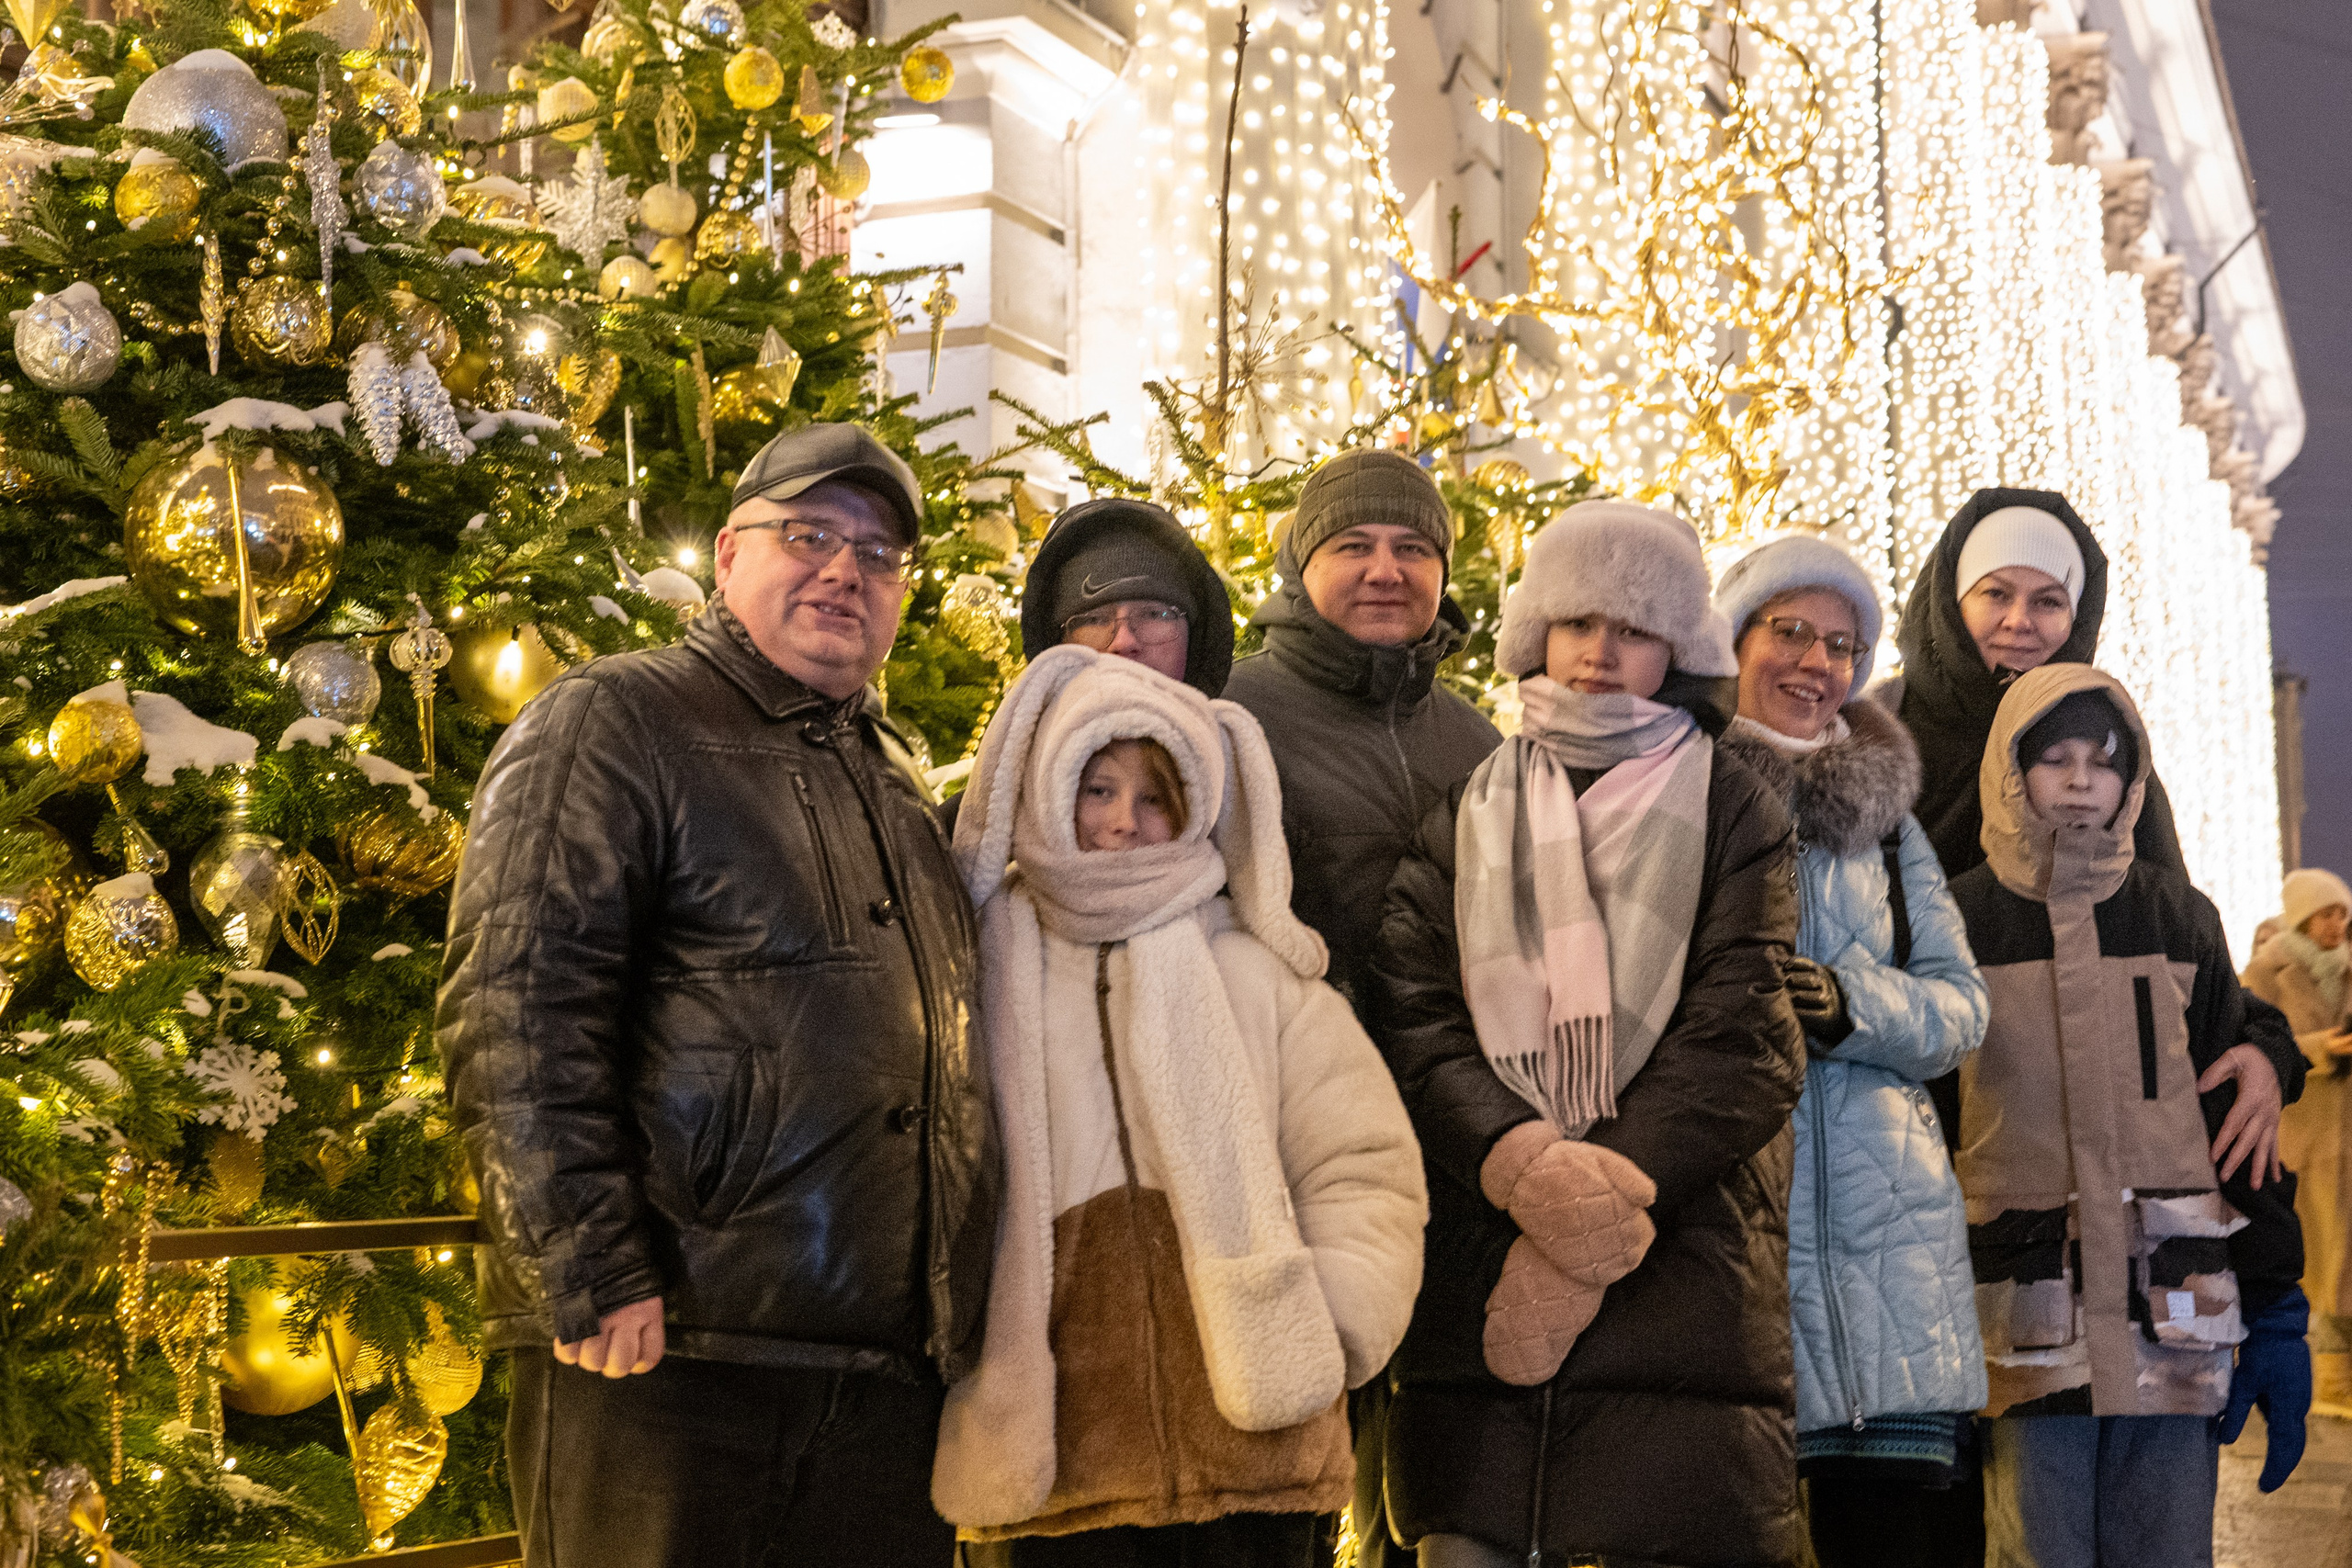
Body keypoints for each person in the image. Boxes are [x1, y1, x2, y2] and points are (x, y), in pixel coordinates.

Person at [437, 423, 998, 1568]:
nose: (846, 570)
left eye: (879, 553)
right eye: (811, 534)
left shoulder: (895, 775)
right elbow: (516, 1004)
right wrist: (587, 1269)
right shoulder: (617, 720)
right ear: (729, 555)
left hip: (880, 1375)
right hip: (669, 1354)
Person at [1373, 500, 1808, 1567]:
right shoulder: (1467, 803)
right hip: (1484, 1252)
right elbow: (1414, 1011)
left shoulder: (1738, 805)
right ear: (1539, 637)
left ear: (1676, 651)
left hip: (1680, 1270)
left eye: (1633, 628)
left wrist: (1594, 1202)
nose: (1601, 651)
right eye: (1578, 623)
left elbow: (1742, 1034)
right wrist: (1522, 1166)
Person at [933, 645, 1427, 1566]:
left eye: (1153, 795)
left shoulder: (1254, 971)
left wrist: (1334, 1321)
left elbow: (1364, 1166)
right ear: (1047, 788)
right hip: (1056, 1474)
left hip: (1260, 1457)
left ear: (1196, 807)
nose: (1123, 821)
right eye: (1097, 788)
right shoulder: (979, 967)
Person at [1949, 667, 2309, 1566]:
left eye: (2101, 763)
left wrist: (2274, 1304)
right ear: (2010, 770)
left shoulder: (2178, 918)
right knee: (2039, 1547)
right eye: (2054, 759)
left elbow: (2237, 1126)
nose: (2078, 781)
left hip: (2175, 1309)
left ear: (2132, 779)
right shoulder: (1956, 923)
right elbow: (1917, 1131)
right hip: (2021, 1321)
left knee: (2167, 1548)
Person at [1222, 448, 1500, 1562]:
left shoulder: (1478, 742)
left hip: (1450, 1145)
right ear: (1300, 567)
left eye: (1412, 549)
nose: (1385, 570)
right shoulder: (1235, 713)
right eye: (1353, 546)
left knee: (1429, 1480)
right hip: (1291, 1146)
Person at [1714, 536, 1992, 1567]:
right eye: (1789, 631)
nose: (1815, 661)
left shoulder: (1884, 824)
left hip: (1891, 1259)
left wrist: (1848, 1004)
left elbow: (1960, 1009)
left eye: (1842, 644)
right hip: (1738, 1238)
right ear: (1733, 637)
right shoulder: (1676, 789)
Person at [939, 497, 1232, 835]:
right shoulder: (971, 831)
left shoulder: (1242, 814)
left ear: (1193, 639)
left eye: (1155, 614)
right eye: (1093, 618)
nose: (1123, 641)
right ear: (1058, 646)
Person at [2244, 868, 2352, 1415]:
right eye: (2328, 912)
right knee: (2311, 1255)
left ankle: (2336, 1379)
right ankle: (2321, 1381)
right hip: (2298, 1131)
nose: (2338, 923)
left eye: (2343, 913)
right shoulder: (2269, 970)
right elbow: (2253, 1041)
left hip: (2347, 1132)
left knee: (2343, 1258)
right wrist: (2321, 1045)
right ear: (2305, 915)